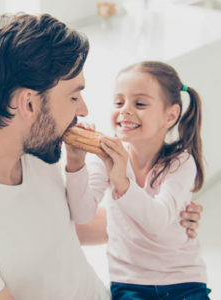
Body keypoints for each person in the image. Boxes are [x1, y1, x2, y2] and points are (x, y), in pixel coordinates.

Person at [0, 12, 202, 300]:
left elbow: (67, 227)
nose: (84, 110)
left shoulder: (37, 147)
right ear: (28, 104)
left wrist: (166, 220)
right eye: (74, 97)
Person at [65, 61, 211, 299]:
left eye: (140, 103)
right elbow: (82, 214)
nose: (125, 110)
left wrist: (122, 181)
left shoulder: (180, 162)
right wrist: (75, 164)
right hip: (130, 283)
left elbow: (157, 222)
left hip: (183, 279)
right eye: (118, 102)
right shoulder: (105, 157)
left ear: (171, 115)